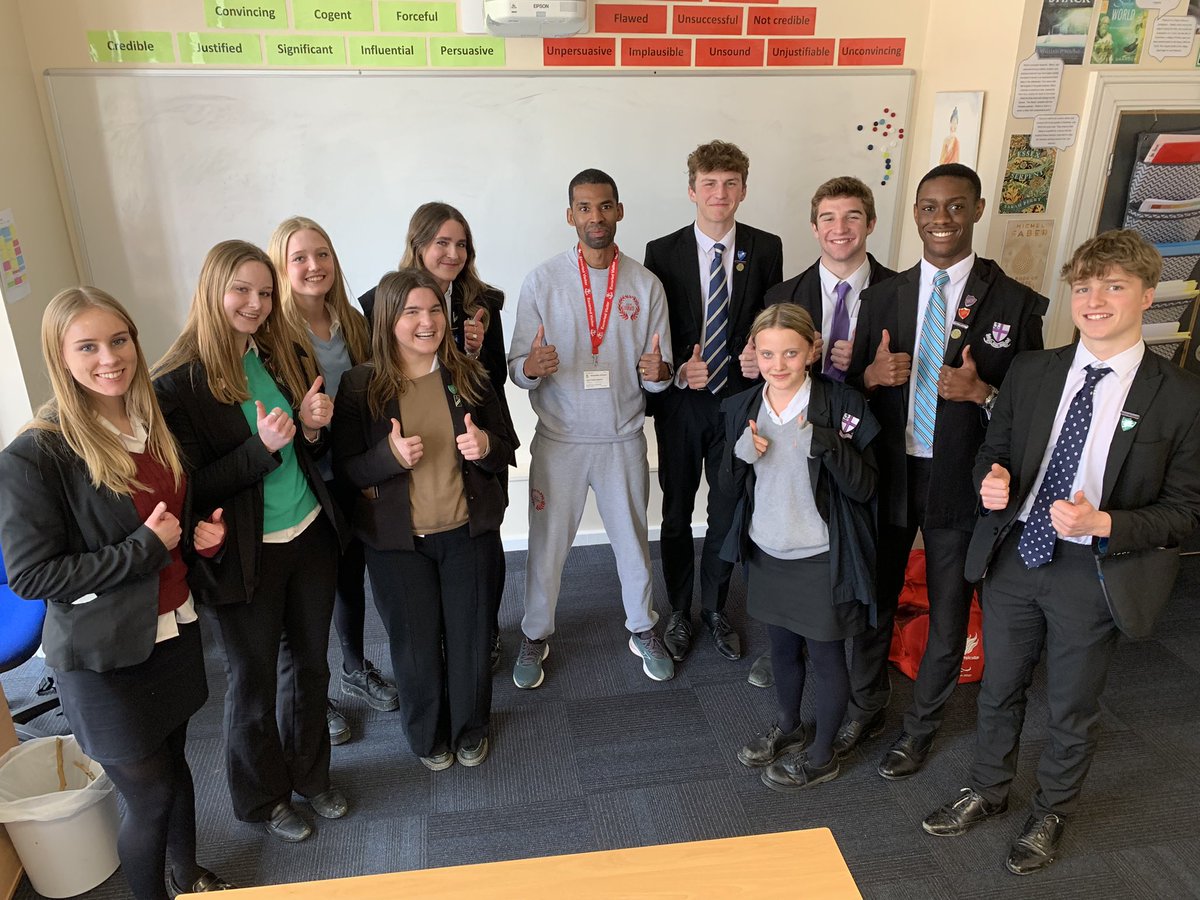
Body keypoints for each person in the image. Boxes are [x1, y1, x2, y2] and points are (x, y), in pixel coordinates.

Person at [921, 230, 1200, 874]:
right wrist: (991, 483)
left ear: (1146, 296)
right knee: (998, 687)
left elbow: (1186, 513)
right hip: (1017, 552)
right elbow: (995, 450)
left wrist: (1106, 521)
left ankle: (1051, 809)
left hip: (1095, 569)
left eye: (1113, 285)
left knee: (1071, 704)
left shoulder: (1181, 397)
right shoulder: (1033, 370)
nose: (1095, 299)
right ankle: (989, 790)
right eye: (1084, 286)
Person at [0, 287, 236, 898]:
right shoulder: (37, 453)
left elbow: (170, 519)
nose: (109, 357)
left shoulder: (148, 417)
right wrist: (145, 550)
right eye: (88, 346)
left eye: (118, 340)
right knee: (151, 797)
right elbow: (33, 576)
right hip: (105, 658)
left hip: (174, 628)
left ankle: (190, 874)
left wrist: (195, 542)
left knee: (177, 769)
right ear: (60, 355)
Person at [843, 164, 1048, 775]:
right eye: (929, 207)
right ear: (915, 213)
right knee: (873, 595)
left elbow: (1033, 405)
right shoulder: (882, 293)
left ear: (978, 211)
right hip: (890, 471)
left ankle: (921, 726)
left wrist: (983, 393)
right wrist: (869, 378)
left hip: (959, 478)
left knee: (949, 606)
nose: (941, 219)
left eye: (955, 207)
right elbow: (854, 387)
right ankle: (865, 705)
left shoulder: (1015, 300)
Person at [153, 240, 347, 843]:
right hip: (244, 554)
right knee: (254, 681)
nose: (256, 303)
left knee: (311, 667)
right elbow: (191, 488)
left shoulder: (276, 350)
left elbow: (302, 447)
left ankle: (311, 776)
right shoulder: (176, 386)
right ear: (213, 290)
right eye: (242, 290)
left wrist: (311, 428)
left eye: (265, 292)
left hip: (309, 532)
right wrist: (258, 450)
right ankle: (263, 800)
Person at [332, 268, 516, 769]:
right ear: (389, 319)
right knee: (413, 649)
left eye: (434, 309)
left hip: (468, 534)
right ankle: (428, 737)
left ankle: (470, 728)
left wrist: (484, 448)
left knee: (470, 639)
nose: (426, 321)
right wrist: (388, 457)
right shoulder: (359, 386)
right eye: (411, 311)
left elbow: (507, 448)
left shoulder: (471, 376)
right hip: (397, 545)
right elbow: (346, 470)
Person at [507, 168, 675, 688]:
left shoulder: (646, 285)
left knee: (632, 543)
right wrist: (532, 367)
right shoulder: (542, 280)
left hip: (622, 438)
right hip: (560, 441)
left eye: (604, 206)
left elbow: (661, 371)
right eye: (584, 207)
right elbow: (515, 367)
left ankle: (643, 626)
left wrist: (660, 374)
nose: (595, 217)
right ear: (570, 216)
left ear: (619, 211)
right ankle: (536, 632)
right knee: (547, 545)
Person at [721, 304, 880, 792]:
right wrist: (740, 456)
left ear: (811, 350)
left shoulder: (841, 405)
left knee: (827, 657)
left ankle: (822, 752)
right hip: (768, 551)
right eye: (767, 353)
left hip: (819, 558)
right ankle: (790, 727)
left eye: (790, 352)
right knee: (782, 649)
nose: (779, 364)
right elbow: (728, 486)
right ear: (755, 354)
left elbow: (867, 488)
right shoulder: (744, 406)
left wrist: (829, 444)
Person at [752, 175, 896, 689]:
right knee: (798, 554)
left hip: (863, 447)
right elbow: (770, 366)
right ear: (814, 228)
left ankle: (863, 681)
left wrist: (867, 376)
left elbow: (900, 379)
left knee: (865, 561)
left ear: (871, 224)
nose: (841, 229)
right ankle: (792, 641)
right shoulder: (781, 294)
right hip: (794, 453)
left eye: (853, 216)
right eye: (829, 218)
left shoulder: (899, 292)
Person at [643, 140, 783, 665]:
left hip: (739, 405)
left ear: (743, 189)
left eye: (730, 183)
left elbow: (770, 319)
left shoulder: (765, 247)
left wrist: (760, 359)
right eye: (709, 184)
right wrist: (680, 366)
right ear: (691, 190)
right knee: (677, 512)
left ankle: (716, 608)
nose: (719, 194)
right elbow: (657, 330)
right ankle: (680, 610)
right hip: (683, 404)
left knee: (727, 511)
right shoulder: (663, 251)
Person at [359, 202, 514, 669]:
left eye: (461, 244)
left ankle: (482, 632)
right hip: (413, 448)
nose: (452, 253)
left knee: (482, 549)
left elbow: (495, 377)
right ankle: (437, 643)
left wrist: (473, 352)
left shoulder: (482, 301)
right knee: (420, 572)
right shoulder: (376, 301)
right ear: (418, 245)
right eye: (441, 242)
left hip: (474, 442)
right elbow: (376, 375)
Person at [269, 216, 398, 747]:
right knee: (307, 590)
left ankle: (353, 666)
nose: (313, 266)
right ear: (282, 267)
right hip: (302, 477)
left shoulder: (352, 318)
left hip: (348, 469)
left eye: (321, 254)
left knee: (349, 573)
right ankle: (313, 692)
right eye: (299, 258)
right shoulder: (273, 334)